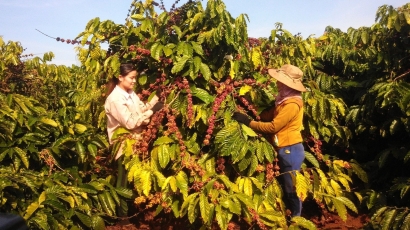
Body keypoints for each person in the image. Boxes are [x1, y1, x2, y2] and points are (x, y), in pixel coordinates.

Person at [232, 64, 307, 217]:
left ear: (287, 84)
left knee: (290, 188)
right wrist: (249, 110)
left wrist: (248, 123)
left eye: (280, 81)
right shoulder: (283, 101)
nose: (277, 83)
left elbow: (273, 127)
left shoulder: (292, 104)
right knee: (285, 186)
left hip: (290, 149)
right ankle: (290, 216)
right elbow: (269, 116)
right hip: (284, 148)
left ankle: (297, 220)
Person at [104, 63, 163, 218]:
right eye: (131, 78)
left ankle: (130, 212)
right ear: (120, 77)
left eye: (135, 78)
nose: (134, 81)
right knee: (123, 181)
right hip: (123, 145)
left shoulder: (131, 93)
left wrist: (156, 97)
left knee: (132, 180)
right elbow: (130, 122)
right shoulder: (115, 99)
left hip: (136, 142)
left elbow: (141, 109)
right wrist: (152, 111)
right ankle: (121, 217)